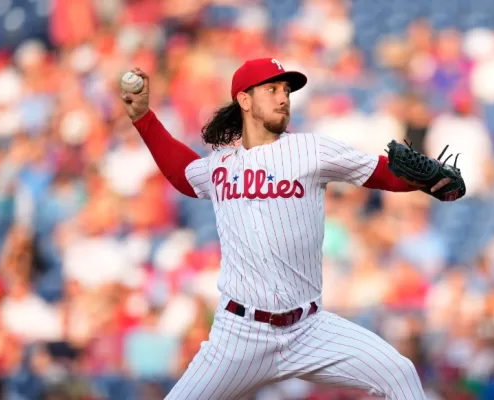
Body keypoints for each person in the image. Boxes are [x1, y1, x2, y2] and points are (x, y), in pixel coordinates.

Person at [120, 58, 457, 399]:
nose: (283, 98)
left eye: (286, 91)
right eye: (272, 89)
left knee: (398, 373)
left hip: (309, 328)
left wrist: (427, 181)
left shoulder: (310, 150)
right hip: (239, 334)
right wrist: (143, 119)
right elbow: (184, 174)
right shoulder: (221, 166)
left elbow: (377, 171)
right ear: (244, 100)